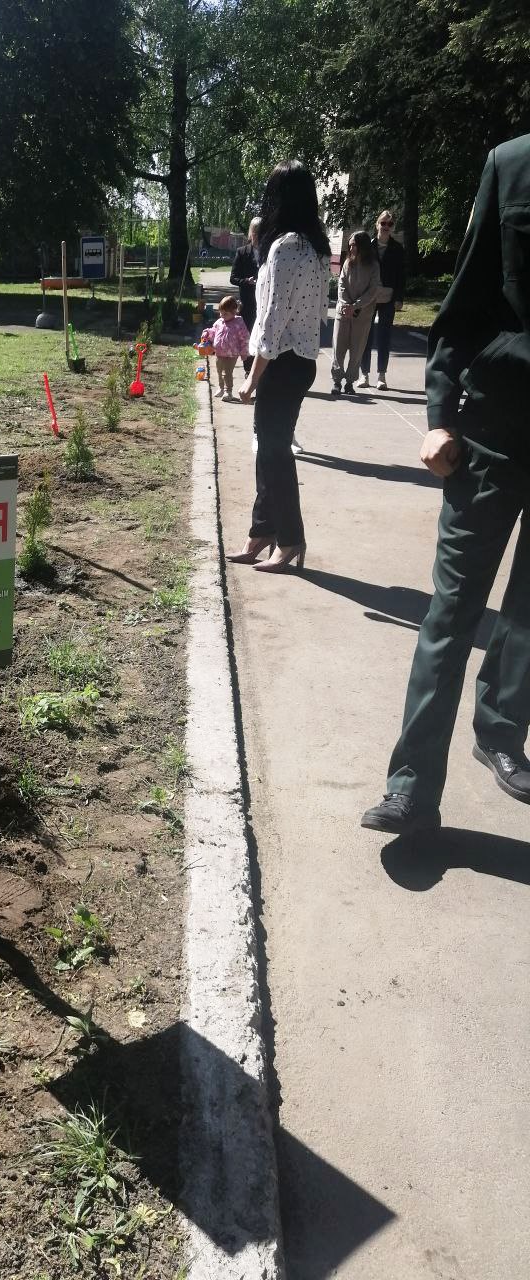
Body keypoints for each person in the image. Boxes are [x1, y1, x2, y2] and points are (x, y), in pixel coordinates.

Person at [362, 134, 530, 834]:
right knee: (452, 611)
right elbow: (462, 309)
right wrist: (438, 417)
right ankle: (412, 787)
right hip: (492, 428)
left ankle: (500, 734)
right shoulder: (512, 165)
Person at [228, 160, 330, 573]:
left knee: (274, 452)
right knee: (267, 451)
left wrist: (252, 378)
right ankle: (262, 532)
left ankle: (290, 541)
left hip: (282, 362)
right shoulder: (316, 248)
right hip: (298, 360)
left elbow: (272, 318)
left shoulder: (287, 247)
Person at [356, 210, 405, 390]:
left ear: (393, 228)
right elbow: (361, 273)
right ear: (377, 225)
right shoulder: (368, 247)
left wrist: (399, 298)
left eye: (389, 224)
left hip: (388, 297)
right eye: (383, 223)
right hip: (369, 297)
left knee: (384, 336)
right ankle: (364, 374)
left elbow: (401, 276)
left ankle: (382, 375)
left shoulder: (397, 249)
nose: (386, 227)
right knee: (365, 335)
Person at [331, 231, 381, 395]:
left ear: (363, 247)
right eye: (350, 245)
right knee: (339, 348)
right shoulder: (347, 263)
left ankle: (350, 382)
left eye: (354, 245)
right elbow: (342, 284)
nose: (351, 248)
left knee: (357, 349)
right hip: (343, 311)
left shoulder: (373, 265)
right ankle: (337, 381)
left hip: (362, 314)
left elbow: (373, 290)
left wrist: (357, 305)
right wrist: (345, 304)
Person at [230, 217, 262, 374]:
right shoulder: (242, 252)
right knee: (248, 336)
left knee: (262, 336)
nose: (257, 235)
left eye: (260, 232)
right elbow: (233, 278)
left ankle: (260, 369)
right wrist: (246, 281)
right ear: (251, 233)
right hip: (247, 303)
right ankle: (248, 369)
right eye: (255, 232)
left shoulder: (269, 252)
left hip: (263, 303)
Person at [208, 295, 251, 400]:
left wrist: (244, 352)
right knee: (219, 371)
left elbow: (244, 338)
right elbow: (213, 332)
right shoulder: (220, 322)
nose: (222, 316)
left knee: (227, 372)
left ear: (234, 311)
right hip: (219, 352)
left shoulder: (238, 323)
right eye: (221, 313)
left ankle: (228, 391)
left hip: (232, 353)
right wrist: (207, 334)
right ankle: (221, 388)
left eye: (225, 314)